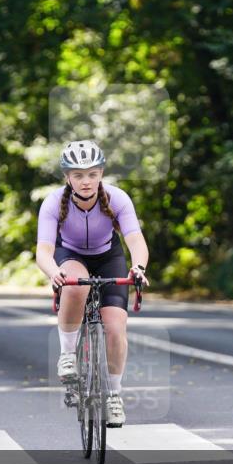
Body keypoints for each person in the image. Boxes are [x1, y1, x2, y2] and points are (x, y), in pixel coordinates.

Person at [35, 140, 150, 428]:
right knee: (76, 285)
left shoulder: (117, 198)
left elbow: (135, 240)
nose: (86, 181)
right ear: (67, 177)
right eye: (78, 175)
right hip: (70, 254)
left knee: (115, 329)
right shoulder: (52, 203)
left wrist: (138, 267)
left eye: (92, 174)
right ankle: (67, 355)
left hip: (108, 256)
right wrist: (53, 272)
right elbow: (44, 251)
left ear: (101, 174)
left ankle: (113, 395)